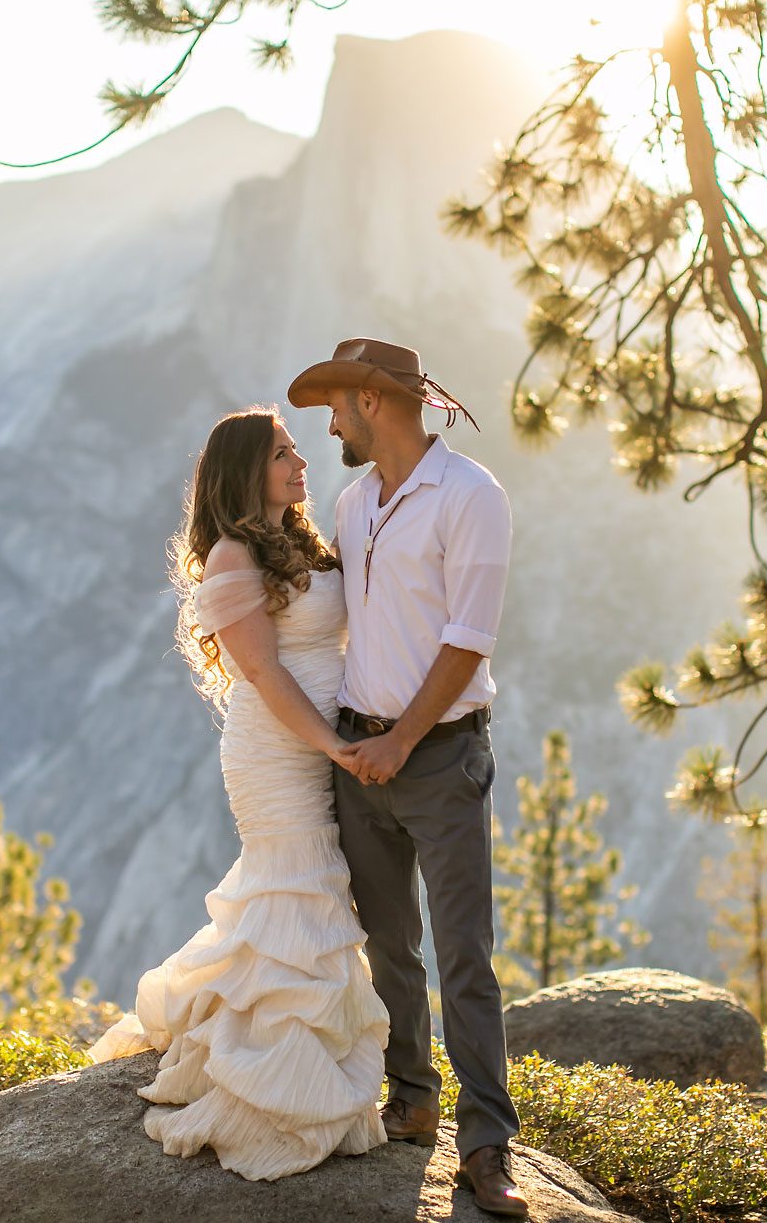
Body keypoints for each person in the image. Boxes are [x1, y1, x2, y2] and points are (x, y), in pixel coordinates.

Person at [86, 407, 390, 1182]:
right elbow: (262, 671)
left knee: (311, 896)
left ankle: (310, 1075)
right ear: (243, 470)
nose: (301, 463)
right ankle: (274, 1089)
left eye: (296, 450)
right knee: (299, 889)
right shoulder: (231, 556)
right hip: (278, 750)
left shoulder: (299, 543)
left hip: (329, 739)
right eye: (282, 453)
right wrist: (332, 746)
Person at [286, 338, 529, 1218]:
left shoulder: (471, 496)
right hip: (356, 752)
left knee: (465, 956)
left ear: (372, 402)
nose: (331, 425)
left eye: (336, 408)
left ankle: (488, 1146)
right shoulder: (354, 502)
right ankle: (413, 1098)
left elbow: (469, 638)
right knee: (388, 946)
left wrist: (402, 741)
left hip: (438, 756)